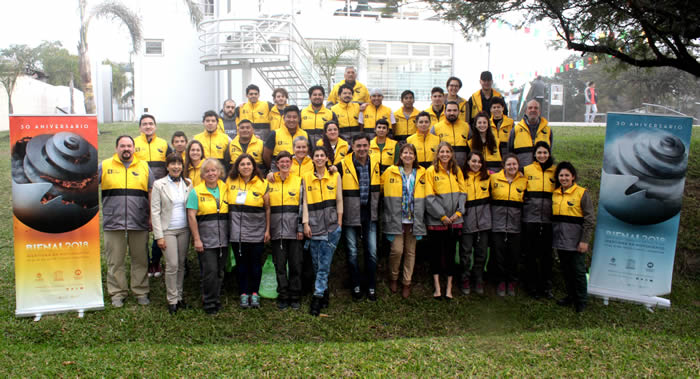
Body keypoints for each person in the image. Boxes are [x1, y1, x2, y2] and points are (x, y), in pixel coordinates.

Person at [100, 135, 153, 307]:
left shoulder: (144, 166)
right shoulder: (104, 166)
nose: (126, 149)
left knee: (140, 259)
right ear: (116, 148)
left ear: (134, 148)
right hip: (113, 220)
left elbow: (151, 192)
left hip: (138, 219)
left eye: (129, 146)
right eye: (122, 146)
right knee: (115, 260)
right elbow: (88, 185)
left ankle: (141, 291)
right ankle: (117, 293)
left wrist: (151, 216)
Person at [338, 134, 381, 301]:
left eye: (365, 145)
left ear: (369, 146)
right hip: (350, 214)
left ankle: (371, 286)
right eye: (358, 146)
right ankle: (355, 284)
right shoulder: (342, 165)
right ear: (353, 146)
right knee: (352, 252)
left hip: (370, 213)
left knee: (371, 252)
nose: (362, 149)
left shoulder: (377, 163)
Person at [302, 146, 343, 316]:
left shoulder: (335, 175)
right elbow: (304, 202)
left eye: (322, 156)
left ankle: (317, 298)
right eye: (316, 156)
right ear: (312, 159)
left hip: (332, 227)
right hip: (314, 227)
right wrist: (305, 223)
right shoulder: (306, 177)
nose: (319, 158)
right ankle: (325, 294)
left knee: (324, 266)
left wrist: (339, 222)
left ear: (327, 158)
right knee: (317, 264)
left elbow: (339, 200)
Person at [381, 143, 426, 298]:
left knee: (410, 252)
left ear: (415, 156)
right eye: (405, 153)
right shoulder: (390, 172)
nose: (408, 155)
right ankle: (393, 277)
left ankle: (406, 282)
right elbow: (380, 188)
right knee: (396, 250)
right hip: (396, 219)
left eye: (411, 153)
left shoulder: (422, 173)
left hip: (415, 219)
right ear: (400, 155)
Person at [225, 153, 270, 309]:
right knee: (241, 265)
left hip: (257, 232)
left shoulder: (262, 183)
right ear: (237, 166)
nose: (246, 167)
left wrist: (267, 230)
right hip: (237, 233)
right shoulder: (230, 181)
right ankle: (244, 293)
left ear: (254, 166)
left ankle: (255, 293)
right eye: (242, 164)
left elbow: (268, 208)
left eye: (248, 164)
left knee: (255, 265)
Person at [186, 158, 229, 315]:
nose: (211, 173)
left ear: (219, 172)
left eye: (214, 170)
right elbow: (191, 216)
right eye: (207, 171)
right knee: (210, 271)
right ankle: (209, 301)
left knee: (219, 271)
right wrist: (196, 239)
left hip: (223, 239)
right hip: (206, 240)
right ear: (202, 174)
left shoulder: (226, 188)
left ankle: (216, 297)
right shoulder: (195, 192)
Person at [150, 153, 192, 314]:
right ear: (167, 167)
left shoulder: (188, 183)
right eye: (172, 164)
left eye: (179, 164)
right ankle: (172, 299)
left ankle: (180, 297)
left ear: (182, 166)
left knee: (181, 264)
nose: (176, 167)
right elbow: (155, 211)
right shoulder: (159, 185)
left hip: (184, 229)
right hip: (167, 230)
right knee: (172, 264)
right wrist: (159, 235)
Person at [552, 161, 595, 313]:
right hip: (560, 240)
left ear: (573, 177)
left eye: (567, 175)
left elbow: (589, 219)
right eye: (561, 175)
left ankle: (581, 301)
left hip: (576, 241)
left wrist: (584, 241)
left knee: (578, 271)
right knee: (566, 270)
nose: (564, 178)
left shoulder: (582, 193)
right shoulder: (556, 193)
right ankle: (570, 296)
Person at [424, 142, 465, 300]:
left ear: (452, 154)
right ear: (437, 154)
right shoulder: (431, 171)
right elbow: (429, 197)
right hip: (437, 221)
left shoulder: (456, 170)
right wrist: (442, 216)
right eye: (442, 152)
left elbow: (463, 192)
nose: (445, 154)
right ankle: (437, 287)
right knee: (435, 253)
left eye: (448, 151)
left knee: (450, 253)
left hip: (455, 220)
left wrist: (458, 212)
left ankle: (449, 288)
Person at [133, 114, 172, 278]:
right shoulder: (133, 143)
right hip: (139, 191)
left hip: (161, 191)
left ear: (155, 126)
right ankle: (144, 260)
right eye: (144, 124)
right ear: (140, 127)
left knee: (159, 226)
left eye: (150, 124)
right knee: (141, 228)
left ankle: (155, 260)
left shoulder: (163, 144)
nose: (148, 126)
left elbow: (171, 165)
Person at [268, 151, 304, 310]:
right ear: (277, 164)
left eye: (287, 161)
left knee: (296, 265)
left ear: (291, 163)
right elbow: (265, 208)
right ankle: (283, 295)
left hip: (295, 231)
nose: (284, 164)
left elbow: (303, 207)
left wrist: (301, 227)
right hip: (277, 232)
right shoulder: (269, 181)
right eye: (281, 162)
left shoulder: (298, 181)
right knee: (280, 265)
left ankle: (295, 295)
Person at [490, 154, 527, 297]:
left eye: (514, 164)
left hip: (515, 224)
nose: (512, 167)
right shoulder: (493, 179)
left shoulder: (523, 181)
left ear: (518, 166)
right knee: (498, 254)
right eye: (509, 164)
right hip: (497, 224)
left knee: (513, 255)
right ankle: (500, 281)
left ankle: (511, 281)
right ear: (503, 166)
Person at [522, 142, 556, 299]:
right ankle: (531, 285)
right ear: (534, 154)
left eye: (545, 153)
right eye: (539, 153)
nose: (542, 155)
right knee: (530, 253)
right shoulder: (527, 170)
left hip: (549, 220)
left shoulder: (555, 171)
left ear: (549, 154)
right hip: (531, 218)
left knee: (546, 255)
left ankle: (546, 286)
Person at [459, 151, 491, 295]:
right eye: (473, 161)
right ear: (468, 162)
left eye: (479, 162)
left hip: (484, 222)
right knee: (465, 253)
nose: (476, 164)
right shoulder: (461, 177)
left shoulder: (488, 177)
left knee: (481, 253)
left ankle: (478, 279)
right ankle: (465, 278)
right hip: (467, 221)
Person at [507, 99, 553, 167]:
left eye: (536, 108)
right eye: (530, 108)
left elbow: (549, 153)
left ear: (539, 112)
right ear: (525, 111)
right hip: (522, 173)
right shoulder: (516, 130)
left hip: (541, 173)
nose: (533, 110)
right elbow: (510, 153)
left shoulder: (547, 131)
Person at [263, 105, 308, 171]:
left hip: (300, 171)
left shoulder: (305, 134)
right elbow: (266, 156)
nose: (291, 120)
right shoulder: (274, 134)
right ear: (284, 118)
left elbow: (309, 154)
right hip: (279, 172)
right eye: (289, 117)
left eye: (294, 117)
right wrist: (273, 169)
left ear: (299, 118)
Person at [432, 101, 469, 167]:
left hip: (463, 167)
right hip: (443, 167)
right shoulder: (436, 128)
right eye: (449, 110)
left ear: (458, 112)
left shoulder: (466, 127)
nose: (452, 113)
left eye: (455, 110)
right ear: (444, 112)